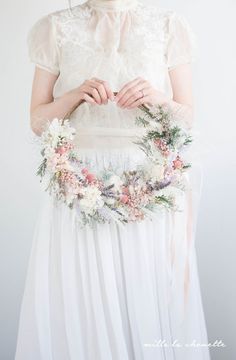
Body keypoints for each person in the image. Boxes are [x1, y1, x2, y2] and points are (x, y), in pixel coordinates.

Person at [15, 0, 210, 359]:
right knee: (80, 294)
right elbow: (38, 120)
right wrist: (74, 97)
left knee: (143, 292)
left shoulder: (168, 25)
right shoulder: (55, 27)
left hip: (147, 187)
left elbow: (187, 117)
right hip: (77, 184)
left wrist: (157, 99)